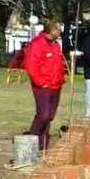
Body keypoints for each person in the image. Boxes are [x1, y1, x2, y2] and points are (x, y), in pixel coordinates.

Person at [23, 19, 66, 151]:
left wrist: (61, 80)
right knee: (43, 115)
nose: (60, 32)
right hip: (43, 87)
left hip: (56, 85)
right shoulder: (37, 44)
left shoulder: (56, 45)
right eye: (58, 29)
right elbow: (31, 66)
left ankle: (43, 147)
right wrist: (42, 83)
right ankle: (30, 144)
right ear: (52, 30)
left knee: (49, 117)